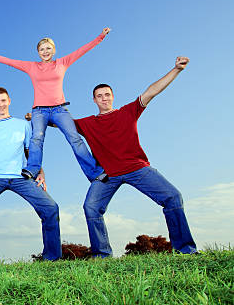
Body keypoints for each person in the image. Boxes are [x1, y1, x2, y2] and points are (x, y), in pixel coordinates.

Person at [74, 57, 197, 257]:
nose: (104, 98)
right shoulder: (87, 123)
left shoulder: (128, 112)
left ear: (112, 96)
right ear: (94, 100)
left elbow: (152, 91)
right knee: (91, 207)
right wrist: (35, 117)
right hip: (108, 175)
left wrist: (176, 69)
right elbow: (61, 122)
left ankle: (185, 250)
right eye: (99, 96)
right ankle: (102, 256)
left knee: (173, 197)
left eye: (107, 95)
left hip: (137, 168)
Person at [0, 28, 111, 182]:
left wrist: (100, 37)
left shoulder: (62, 63)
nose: (45, 52)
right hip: (39, 111)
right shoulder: (32, 67)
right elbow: (11, 62)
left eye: (48, 48)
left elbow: (82, 50)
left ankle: (95, 172)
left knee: (75, 138)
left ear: (54, 50)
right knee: (36, 138)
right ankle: (32, 169)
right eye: (42, 49)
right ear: (38, 52)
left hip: (60, 109)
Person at [0, 87, 62, 265]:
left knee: (51, 208)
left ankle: (52, 259)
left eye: (3, 100)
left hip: (21, 177)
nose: (0, 104)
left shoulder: (22, 125)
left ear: (9, 101)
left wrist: (40, 171)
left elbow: (30, 151)